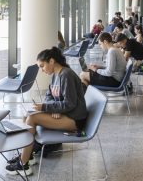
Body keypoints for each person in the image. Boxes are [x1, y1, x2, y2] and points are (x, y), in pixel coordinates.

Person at [5, 47, 87, 176]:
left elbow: (70, 104)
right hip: (66, 114)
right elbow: (49, 96)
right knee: (27, 115)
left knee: (32, 119)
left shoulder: (66, 74)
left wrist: (46, 107)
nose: (42, 70)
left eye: (42, 66)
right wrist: (53, 108)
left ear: (52, 61)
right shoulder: (55, 75)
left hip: (75, 120)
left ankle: (23, 165)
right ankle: (28, 155)